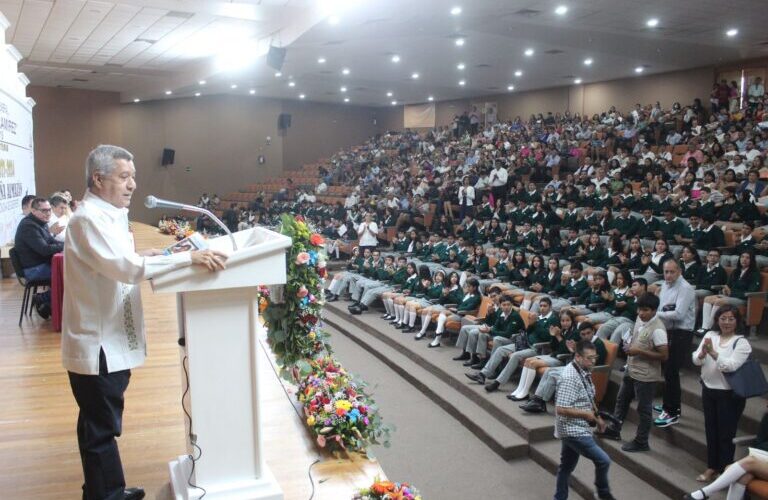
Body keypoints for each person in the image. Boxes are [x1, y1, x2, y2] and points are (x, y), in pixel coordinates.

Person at [62, 145, 228, 500]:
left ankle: (107, 489)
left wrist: (147, 254)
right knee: (99, 427)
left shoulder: (108, 214)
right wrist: (188, 260)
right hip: (98, 343)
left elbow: (120, 260)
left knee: (100, 424)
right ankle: (105, 495)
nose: (133, 185)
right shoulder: (88, 217)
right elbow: (125, 269)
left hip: (109, 336)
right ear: (98, 178)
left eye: (133, 176)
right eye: (124, 177)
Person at [601, 293, 668, 452]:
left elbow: (664, 356)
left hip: (646, 375)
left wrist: (639, 351)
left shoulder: (658, 329)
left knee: (643, 410)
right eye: (639, 309)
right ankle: (615, 429)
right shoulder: (640, 319)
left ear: (654, 311)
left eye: (645, 310)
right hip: (631, 369)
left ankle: (641, 441)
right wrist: (630, 344)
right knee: (621, 400)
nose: (640, 313)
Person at [692, 305, 751, 484]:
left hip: (730, 395)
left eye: (730, 319)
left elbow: (730, 366)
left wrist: (713, 353)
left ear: (737, 321)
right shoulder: (710, 336)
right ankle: (712, 467)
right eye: (723, 318)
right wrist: (702, 353)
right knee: (711, 430)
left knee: (726, 434)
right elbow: (695, 360)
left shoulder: (741, 342)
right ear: (717, 320)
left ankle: (725, 469)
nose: (726, 322)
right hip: (709, 389)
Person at [553, 340, 616, 500]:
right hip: (571, 429)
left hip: (577, 425)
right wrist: (587, 415)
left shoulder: (582, 370)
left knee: (566, 467)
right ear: (578, 357)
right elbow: (561, 409)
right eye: (589, 358)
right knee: (604, 461)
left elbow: (587, 397)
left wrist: (597, 418)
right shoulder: (569, 377)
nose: (593, 361)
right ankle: (603, 493)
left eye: (595, 357)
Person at [654, 259, 696, 428]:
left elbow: (679, 314)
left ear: (679, 271)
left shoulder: (685, 288)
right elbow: (664, 307)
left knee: (672, 371)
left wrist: (656, 315)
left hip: (682, 332)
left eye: (672, 272)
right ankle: (667, 404)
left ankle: (673, 411)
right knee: (667, 371)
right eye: (666, 272)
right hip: (669, 330)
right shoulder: (665, 285)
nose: (668, 275)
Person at [14, 197, 65, 318]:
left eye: (49, 210)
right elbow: (44, 250)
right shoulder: (28, 226)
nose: (48, 213)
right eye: (44, 210)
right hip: (33, 269)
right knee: (68, 275)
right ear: (33, 211)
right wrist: (65, 245)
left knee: (70, 272)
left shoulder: (40, 223)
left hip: (42, 264)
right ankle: (43, 298)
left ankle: (48, 304)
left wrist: (65, 244)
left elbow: (51, 241)